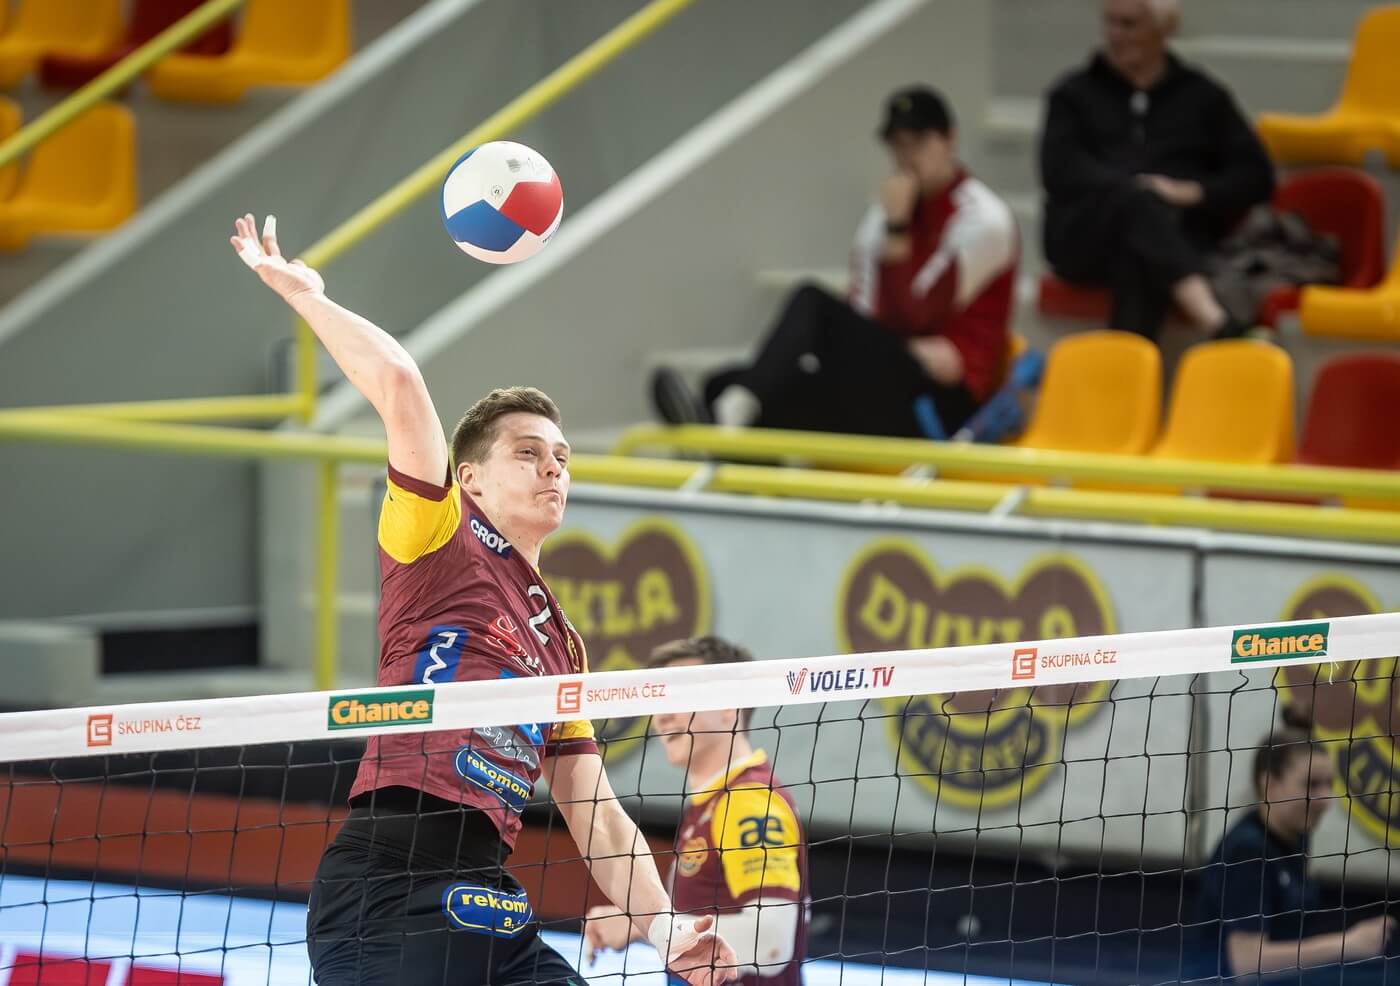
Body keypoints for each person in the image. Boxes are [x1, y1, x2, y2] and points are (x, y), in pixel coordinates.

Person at [228, 215, 736, 986]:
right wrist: (307, 298)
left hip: (488, 897)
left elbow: (594, 812)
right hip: (390, 884)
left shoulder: (562, 643)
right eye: (528, 454)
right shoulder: (439, 538)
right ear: (469, 478)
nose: (552, 469)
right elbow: (400, 385)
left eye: (562, 458)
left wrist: (664, 928)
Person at [651, 84, 1018, 441]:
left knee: (812, 303)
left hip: (942, 404)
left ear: (950, 139)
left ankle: (723, 426)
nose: (908, 158)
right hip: (883, 378)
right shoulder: (887, 211)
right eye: (898, 146)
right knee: (725, 384)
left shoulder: (983, 218)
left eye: (919, 144)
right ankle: (724, 435)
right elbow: (866, 308)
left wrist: (897, 229)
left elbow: (914, 314)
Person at [1039, 0, 1276, 341]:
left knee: (1138, 251)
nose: (1116, 35)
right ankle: (1215, 320)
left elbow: (1256, 176)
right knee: (1139, 203)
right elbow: (1060, 170)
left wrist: (1192, 192)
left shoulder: (1203, 96)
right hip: (1085, 236)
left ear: (1164, 30)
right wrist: (1136, 191)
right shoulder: (1072, 94)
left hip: (1176, 236)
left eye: (1129, 25)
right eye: (1110, 22)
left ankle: (1127, 369)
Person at [582, 636, 809, 984]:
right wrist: (646, 926)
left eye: (680, 697)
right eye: (659, 701)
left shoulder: (749, 800)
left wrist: (643, 925)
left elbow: (771, 943)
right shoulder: (714, 802)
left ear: (729, 707)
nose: (662, 717)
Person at [1188, 726, 1396, 983]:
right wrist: (1348, 944)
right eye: (1311, 785)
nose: (1325, 799)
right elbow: (1246, 964)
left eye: (1329, 784)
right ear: (1270, 785)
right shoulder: (1248, 851)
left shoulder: (1296, 835)